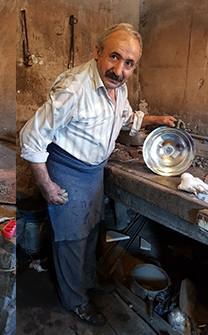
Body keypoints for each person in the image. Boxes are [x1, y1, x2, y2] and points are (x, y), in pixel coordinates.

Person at [19, 23, 175, 326]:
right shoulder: (75, 88)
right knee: (70, 239)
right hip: (67, 169)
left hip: (93, 172)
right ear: (97, 52)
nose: (119, 69)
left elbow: (125, 116)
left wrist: (155, 120)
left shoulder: (118, 85)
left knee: (91, 229)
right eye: (113, 57)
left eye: (128, 63)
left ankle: (87, 279)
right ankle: (74, 299)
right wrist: (46, 185)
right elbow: (31, 136)